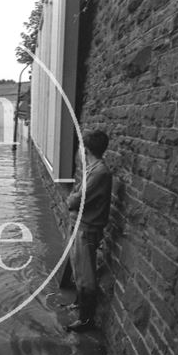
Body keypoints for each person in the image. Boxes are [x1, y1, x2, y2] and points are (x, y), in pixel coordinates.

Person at [65, 130, 112, 332]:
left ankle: (85, 321)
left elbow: (76, 200)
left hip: (87, 228)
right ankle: (78, 303)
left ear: (86, 149)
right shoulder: (92, 169)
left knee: (86, 275)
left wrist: (71, 199)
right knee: (78, 270)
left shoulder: (99, 172)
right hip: (81, 225)